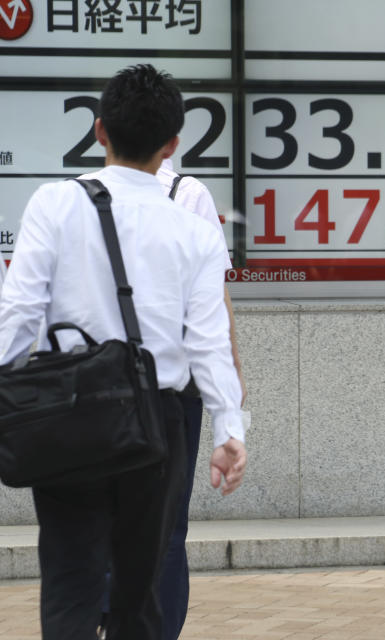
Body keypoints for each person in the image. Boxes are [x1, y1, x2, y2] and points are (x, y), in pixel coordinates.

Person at [0, 64, 246, 639]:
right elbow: (208, 342)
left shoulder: (54, 204)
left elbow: (18, 317)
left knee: (69, 581)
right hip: (156, 421)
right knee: (141, 590)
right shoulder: (196, 230)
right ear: (173, 143)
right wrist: (229, 429)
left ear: (98, 130)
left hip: (69, 410)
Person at [94, 159, 247, 640]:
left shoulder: (79, 193)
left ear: (102, 132)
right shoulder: (189, 192)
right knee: (166, 526)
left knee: (101, 516)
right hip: (171, 388)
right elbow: (212, 297)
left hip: (98, 384)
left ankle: (109, 616)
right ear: (171, 140)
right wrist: (231, 380)